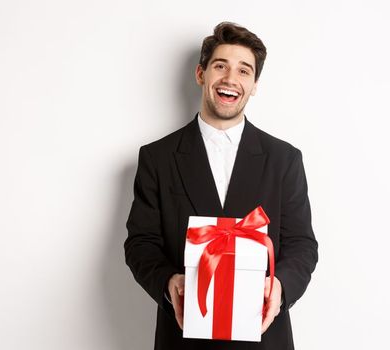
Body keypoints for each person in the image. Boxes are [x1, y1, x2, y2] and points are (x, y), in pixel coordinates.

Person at [125, 22, 318, 350]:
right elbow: (141, 244)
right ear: (201, 74)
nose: (231, 79)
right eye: (220, 66)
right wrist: (169, 282)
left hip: (263, 336)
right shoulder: (157, 158)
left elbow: (302, 244)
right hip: (184, 336)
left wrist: (280, 289)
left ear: (254, 85)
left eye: (244, 71)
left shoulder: (284, 159)